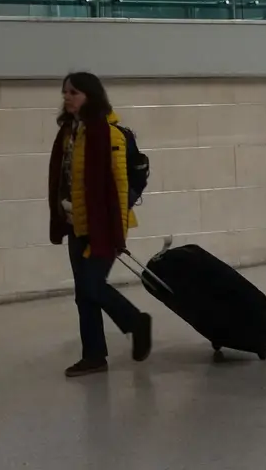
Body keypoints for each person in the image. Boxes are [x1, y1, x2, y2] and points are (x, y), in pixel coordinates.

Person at [48, 71, 151, 377]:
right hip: (75, 223)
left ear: (91, 96)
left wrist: (116, 225)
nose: (67, 97)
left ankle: (136, 322)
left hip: (103, 224)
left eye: (74, 92)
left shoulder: (112, 134)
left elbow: (125, 183)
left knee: (93, 285)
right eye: (65, 92)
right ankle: (94, 355)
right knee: (84, 292)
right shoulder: (68, 133)